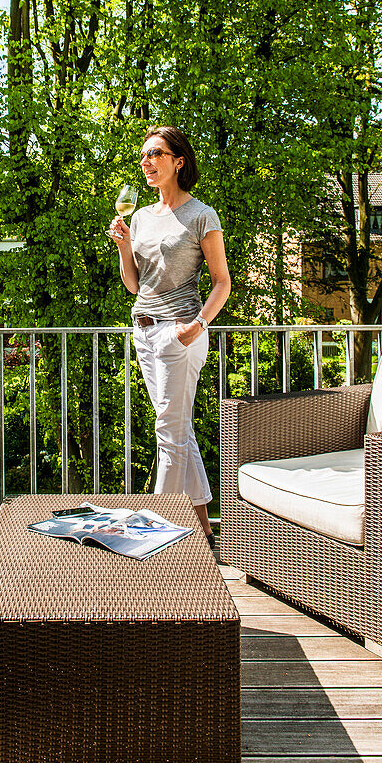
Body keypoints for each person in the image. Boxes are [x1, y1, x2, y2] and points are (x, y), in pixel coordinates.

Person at [107, 125, 231, 548]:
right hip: (143, 330)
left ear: (178, 161)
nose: (146, 162)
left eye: (156, 154)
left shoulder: (202, 215)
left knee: (167, 427)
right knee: (178, 430)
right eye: (143, 156)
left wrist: (197, 326)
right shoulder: (140, 217)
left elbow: (222, 283)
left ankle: (157, 532)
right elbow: (134, 286)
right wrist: (125, 247)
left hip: (181, 333)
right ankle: (204, 532)